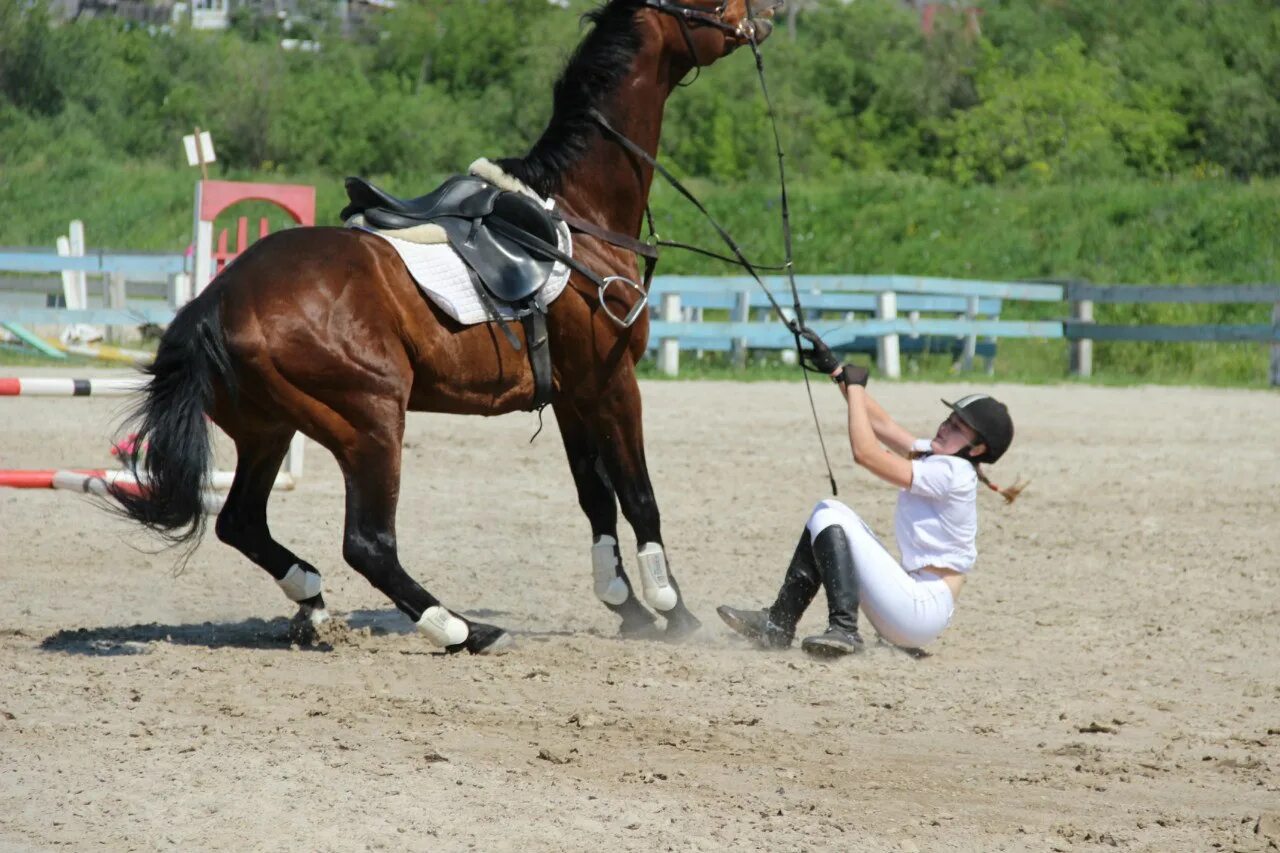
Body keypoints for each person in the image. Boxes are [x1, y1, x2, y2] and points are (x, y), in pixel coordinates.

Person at [717, 332, 1024, 658]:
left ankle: (844, 630)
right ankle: (778, 623)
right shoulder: (942, 459)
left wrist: (857, 387)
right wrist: (837, 372)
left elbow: (865, 453)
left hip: (920, 609)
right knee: (828, 515)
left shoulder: (952, 473)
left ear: (977, 449)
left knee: (830, 514)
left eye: (958, 427)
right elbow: (885, 427)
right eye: (949, 419)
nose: (945, 427)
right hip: (914, 604)